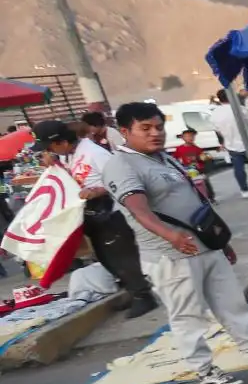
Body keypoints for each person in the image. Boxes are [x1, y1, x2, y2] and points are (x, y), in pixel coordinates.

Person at [102, 102, 248, 384]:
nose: (155, 133)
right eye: (145, 128)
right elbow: (139, 211)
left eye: (158, 127)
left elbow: (196, 200)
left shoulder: (164, 158)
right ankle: (205, 372)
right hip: (172, 256)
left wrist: (220, 242)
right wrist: (169, 235)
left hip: (206, 246)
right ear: (124, 132)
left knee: (232, 304)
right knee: (188, 316)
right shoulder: (121, 165)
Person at [32, 119, 156, 317]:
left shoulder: (94, 153)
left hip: (111, 212)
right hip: (93, 216)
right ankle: (132, 291)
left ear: (61, 143)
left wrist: (98, 190)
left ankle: (143, 295)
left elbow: (124, 178)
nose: (50, 151)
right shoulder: (67, 157)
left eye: (50, 147)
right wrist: (55, 164)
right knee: (107, 257)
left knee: (122, 257)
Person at [208, 89, 248, 199]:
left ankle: (244, 190)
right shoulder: (240, 109)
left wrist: (223, 141)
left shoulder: (215, 114)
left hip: (231, 145)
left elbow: (218, 131)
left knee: (238, 169)